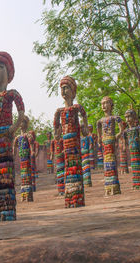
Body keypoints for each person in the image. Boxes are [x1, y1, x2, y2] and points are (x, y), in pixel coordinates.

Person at [0, 51, 25, 222]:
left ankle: (8, 209)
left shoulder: (12, 94)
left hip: (6, 137)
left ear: (8, 72)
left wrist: (14, 127)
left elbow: (21, 111)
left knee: (6, 173)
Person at [53, 76, 88, 208]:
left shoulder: (76, 107)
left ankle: (77, 197)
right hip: (66, 144)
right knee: (68, 167)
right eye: (61, 88)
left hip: (75, 142)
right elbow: (56, 125)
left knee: (76, 166)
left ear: (73, 91)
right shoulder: (59, 111)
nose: (63, 90)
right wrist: (57, 133)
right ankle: (70, 197)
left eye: (66, 87)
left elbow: (84, 116)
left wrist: (85, 127)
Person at [97, 96, 123, 196]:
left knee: (111, 162)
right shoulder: (101, 120)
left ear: (111, 105)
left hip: (111, 140)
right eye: (102, 103)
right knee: (106, 164)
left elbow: (121, 125)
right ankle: (108, 186)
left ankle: (114, 187)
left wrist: (119, 134)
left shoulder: (114, 117)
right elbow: (98, 127)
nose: (103, 105)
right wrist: (99, 138)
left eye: (106, 103)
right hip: (105, 142)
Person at [124, 109, 140, 189]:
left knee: (138, 165)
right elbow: (125, 140)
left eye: (129, 117)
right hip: (131, 149)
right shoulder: (126, 131)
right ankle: (136, 183)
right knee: (133, 166)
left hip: (136, 149)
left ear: (134, 117)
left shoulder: (138, 128)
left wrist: (139, 140)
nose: (128, 119)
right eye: (126, 117)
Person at [13, 115, 33, 202]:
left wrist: (32, 153)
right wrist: (13, 156)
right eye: (20, 122)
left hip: (27, 158)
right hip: (22, 159)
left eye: (23, 122)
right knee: (23, 175)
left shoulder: (28, 135)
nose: (21, 124)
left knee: (27, 175)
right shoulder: (17, 137)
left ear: (26, 124)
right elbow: (14, 148)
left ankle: (28, 195)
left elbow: (31, 146)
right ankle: (23, 195)